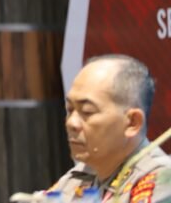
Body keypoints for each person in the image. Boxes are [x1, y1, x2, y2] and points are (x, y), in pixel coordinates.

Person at [48, 54, 171, 202]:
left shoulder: (162, 181)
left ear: (132, 123)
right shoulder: (81, 175)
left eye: (87, 111)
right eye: (69, 109)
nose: (71, 123)